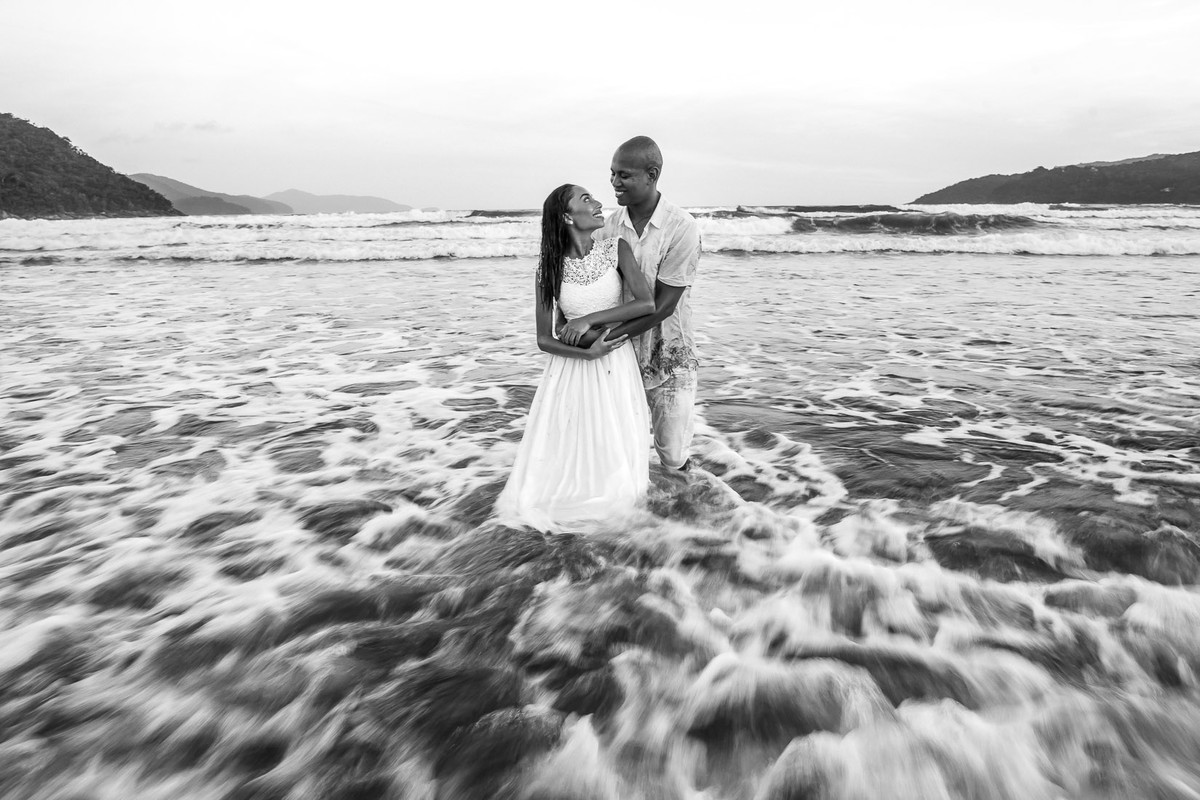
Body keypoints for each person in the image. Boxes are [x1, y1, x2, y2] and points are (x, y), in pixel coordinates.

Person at [495, 184, 656, 532]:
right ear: (567, 216)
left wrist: (588, 320)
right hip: (572, 366)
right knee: (572, 444)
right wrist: (587, 353)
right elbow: (544, 339)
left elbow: (646, 304)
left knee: (615, 439)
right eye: (587, 200)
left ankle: (621, 518)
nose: (599, 203)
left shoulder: (616, 249)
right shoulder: (547, 269)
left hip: (614, 360)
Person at [566, 136, 701, 474]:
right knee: (622, 450)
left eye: (623, 175)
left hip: (668, 355)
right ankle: (638, 517)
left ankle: (692, 511)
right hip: (619, 360)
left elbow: (664, 305)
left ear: (651, 174)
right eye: (612, 173)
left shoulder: (681, 227)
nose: (614, 183)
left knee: (672, 455)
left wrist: (605, 336)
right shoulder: (608, 226)